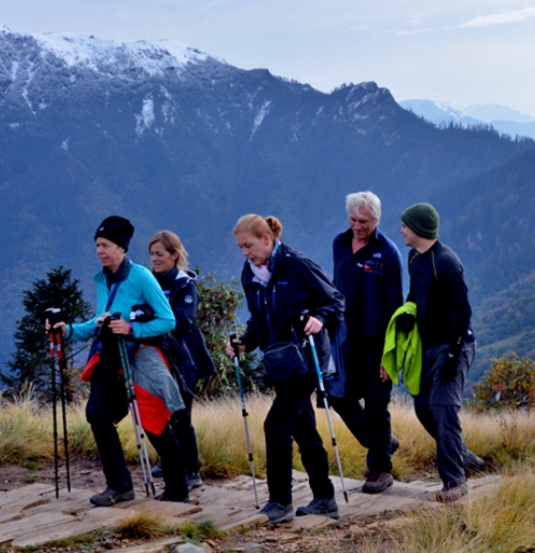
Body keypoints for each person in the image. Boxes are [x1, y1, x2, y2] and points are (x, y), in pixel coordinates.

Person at [51, 216, 189, 506]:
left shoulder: (140, 276)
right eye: (97, 245)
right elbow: (102, 319)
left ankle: (177, 489)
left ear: (122, 248)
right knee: (98, 414)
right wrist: (70, 331)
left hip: (139, 356)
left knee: (154, 423)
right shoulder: (104, 277)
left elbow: (168, 320)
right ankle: (119, 487)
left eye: (106, 245)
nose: (100, 251)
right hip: (110, 355)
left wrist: (132, 329)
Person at [225, 214, 344, 524]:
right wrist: (244, 343)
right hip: (279, 362)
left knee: (276, 425)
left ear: (267, 239)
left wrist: (321, 319)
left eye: (248, 245)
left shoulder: (297, 265)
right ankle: (324, 497)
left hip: (306, 358)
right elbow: (258, 319)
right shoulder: (249, 273)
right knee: (304, 429)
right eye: (240, 247)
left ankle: (280, 501)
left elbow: (334, 301)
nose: (244, 253)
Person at [391, 202, 476, 503]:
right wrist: (407, 313)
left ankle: (455, 482)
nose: (400, 230)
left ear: (418, 229)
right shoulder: (415, 257)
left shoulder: (446, 263)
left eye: (404, 225)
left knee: (442, 406)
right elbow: (415, 294)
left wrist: (453, 355)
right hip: (426, 345)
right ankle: (464, 457)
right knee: (424, 408)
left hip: (454, 344)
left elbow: (464, 312)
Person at [329, 192, 403, 494]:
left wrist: (390, 355)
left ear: (376, 219)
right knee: (338, 395)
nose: (358, 225)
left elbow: (395, 305)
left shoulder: (388, 253)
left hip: (376, 340)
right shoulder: (340, 243)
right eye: (354, 219)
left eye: (364, 221)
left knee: (376, 402)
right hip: (345, 336)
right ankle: (381, 441)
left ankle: (380, 469)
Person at [148, 231, 217, 490]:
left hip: (184, 357)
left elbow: (183, 322)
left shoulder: (184, 284)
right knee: (159, 411)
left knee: (180, 416)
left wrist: (150, 320)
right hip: (158, 354)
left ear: (174, 255)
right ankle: (169, 460)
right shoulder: (150, 281)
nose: (154, 259)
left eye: (159, 254)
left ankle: (191, 469)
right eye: (152, 254)